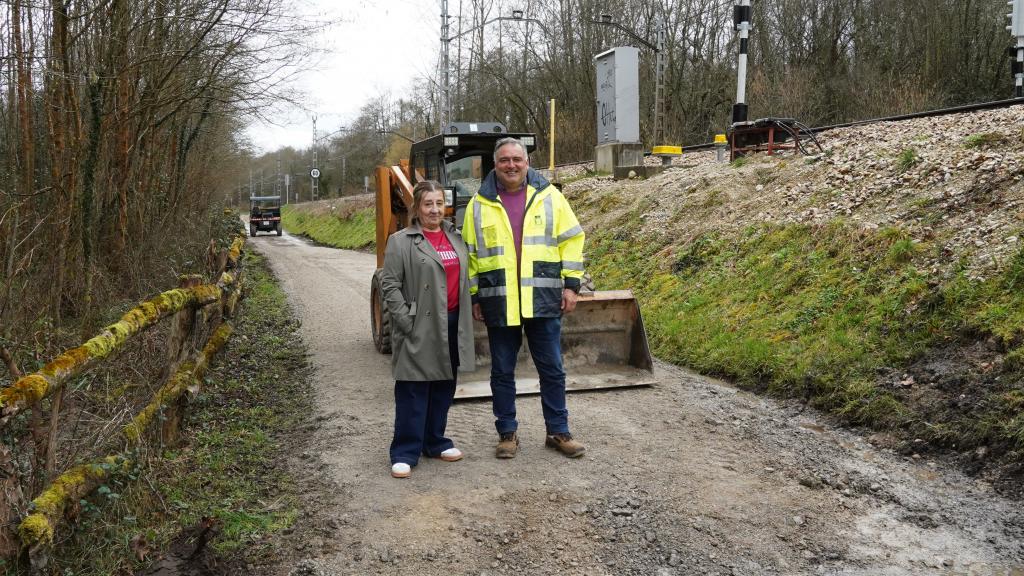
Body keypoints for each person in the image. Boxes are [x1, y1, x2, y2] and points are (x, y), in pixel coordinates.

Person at [462, 137, 586, 459]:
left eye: (517, 159)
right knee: (502, 371)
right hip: (499, 300)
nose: (512, 165)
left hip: (542, 298)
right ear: (495, 164)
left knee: (553, 370)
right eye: (505, 160)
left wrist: (572, 286)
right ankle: (507, 433)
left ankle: (558, 432)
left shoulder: (550, 197)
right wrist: (476, 296)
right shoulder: (478, 204)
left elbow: (572, 240)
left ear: (527, 162)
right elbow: (471, 255)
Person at [380, 180, 476, 478]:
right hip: (419, 322)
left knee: (444, 384)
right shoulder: (401, 240)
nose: (435, 210)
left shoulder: (456, 237)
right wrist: (406, 321)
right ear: (417, 208)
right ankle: (405, 451)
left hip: (452, 321)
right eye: (428, 204)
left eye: (439, 203)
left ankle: (435, 441)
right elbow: (390, 284)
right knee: (413, 387)